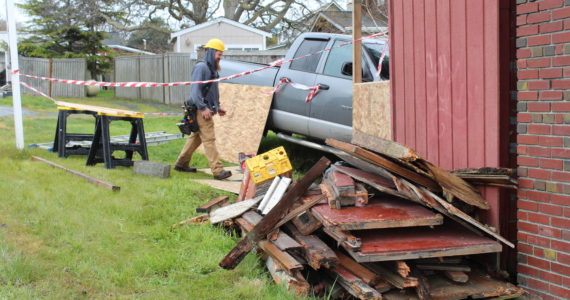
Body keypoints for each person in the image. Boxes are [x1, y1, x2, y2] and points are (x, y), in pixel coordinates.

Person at [174, 38, 232, 180]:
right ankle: (218, 171)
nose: (220, 57)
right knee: (209, 139)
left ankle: (181, 164)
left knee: (196, 138)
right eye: (219, 53)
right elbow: (195, 91)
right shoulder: (201, 67)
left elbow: (212, 90)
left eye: (221, 54)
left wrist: (217, 107)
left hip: (206, 108)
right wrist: (203, 107)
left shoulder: (211, 69)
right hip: (201, 110)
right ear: (211, 52)